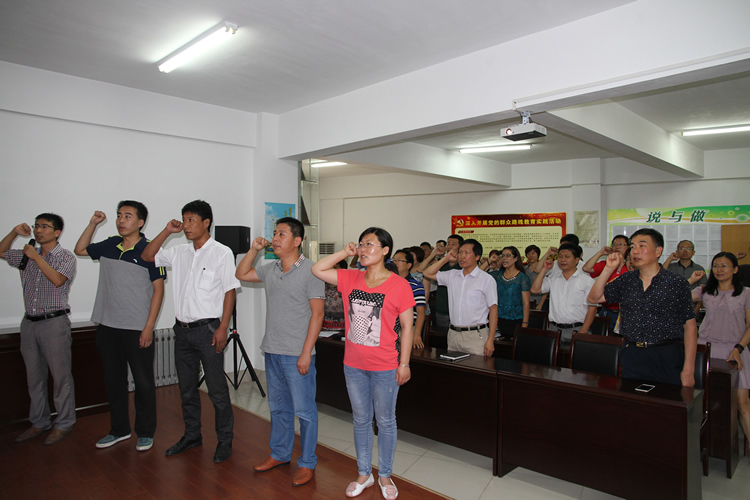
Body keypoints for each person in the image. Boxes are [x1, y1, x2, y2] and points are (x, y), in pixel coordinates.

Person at [311, 227, 414, 500]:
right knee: (360, 420)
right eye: (361, 244)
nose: (364, 248)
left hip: (386, 365)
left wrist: (404, 364)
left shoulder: (399, 285)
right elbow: (318, 269)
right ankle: (364, 473)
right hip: (354, 365)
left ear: (385, 250)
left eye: (370, 244)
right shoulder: (350, 277)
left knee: (386, 421)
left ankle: (385, 474)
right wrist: (345, 252)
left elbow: (407, 327)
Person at [142, 200, 240, 463]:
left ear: (206, 222)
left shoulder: (221, 252)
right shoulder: (179, 252)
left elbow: (230, 291)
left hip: (208, 330)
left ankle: (225, 440)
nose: (186, 225)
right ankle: (192, 435)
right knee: (186, 389)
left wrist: (223, 327)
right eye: (184, 220)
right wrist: (167, 231)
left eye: (191, 220)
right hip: (182, 332)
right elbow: (148, 255)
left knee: (217, 390)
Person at [235, 217, 325, 487]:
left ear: (297, 241)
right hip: (272, 350)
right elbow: (241, 274)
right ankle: (280, 454)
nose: (275, 238)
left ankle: (307, 462)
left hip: (297, 353)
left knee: (305, 411)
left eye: (282, 234)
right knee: (278, 408)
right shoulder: (271, 268)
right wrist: (253, 250)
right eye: (274, 233)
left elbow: (318, 315)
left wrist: (306, 352)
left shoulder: (312, 271)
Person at [74, 202, 166, 452]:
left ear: (140, 222)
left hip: (137, 327)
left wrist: (148, 327)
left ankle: (145, 432)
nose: (121, 220)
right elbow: (80, 249)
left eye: (127, 216)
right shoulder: (109, 245)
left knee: (143, 383)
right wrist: (93, 224)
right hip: (107, 325)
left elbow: (158, 290)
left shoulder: (150, 250)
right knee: (113, 381)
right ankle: (119, 430)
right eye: (118, 216)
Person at [1, 214, 77, 445]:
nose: (38, 230)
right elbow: (1, 251)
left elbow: (57, 280)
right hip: (29, 323)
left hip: (54, 323)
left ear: (57, 232)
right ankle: (39, 422)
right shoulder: (26, 254)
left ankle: (64, 423)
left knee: (61, 377)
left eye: (45, 226)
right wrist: (14, 232)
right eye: (37, 226)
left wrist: (36, 258)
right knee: (34, 377)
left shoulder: (65, 256)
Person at [588, 228, 696, 387]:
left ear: (658, 251)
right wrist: (608, 269)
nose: (635, 251)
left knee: (666, 399)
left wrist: (689, 370)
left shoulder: (676, 283)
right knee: (632, 398)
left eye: (642, 246)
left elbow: (690, 327)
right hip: (632, 353)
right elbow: (594, 298)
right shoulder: (626, 280)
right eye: (632, 247)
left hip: (665, 354)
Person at [690, 252, 750, 457]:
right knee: (704, 400)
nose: (719, 269)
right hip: (706, 349)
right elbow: (676, 297)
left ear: (735, 269)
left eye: (724, 266)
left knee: (742, 402)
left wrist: (739, 348)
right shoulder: (704, 290)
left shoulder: (746, 293)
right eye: (716, 265)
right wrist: (691, 281)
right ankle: (705, 445)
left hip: (736, 350)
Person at [423, 238, 498, 356]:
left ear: (477, 257)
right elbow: (427, 273)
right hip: (453, 334)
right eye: (460, 252)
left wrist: (490, 340)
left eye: (467, 253)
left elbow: (493, 310)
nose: (462, 256)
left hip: (475, 335)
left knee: (475, 367)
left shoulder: (486, 279)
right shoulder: (453, 275)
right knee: (453, 367)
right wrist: (446, 258)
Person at [530, 243, 596, 342]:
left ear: (577, 260)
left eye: (567, 256)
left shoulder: (586, 281)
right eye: (560, 256)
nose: (562, 260)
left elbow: (592, 309)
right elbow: (535, 290)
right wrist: (544, 270)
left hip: (577, 329)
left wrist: (583, 332)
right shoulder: (553, 278)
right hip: (554, 329)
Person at [582, 235, 630, 332]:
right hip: (606, 311)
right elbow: (586, 268)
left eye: (621, 244)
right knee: (603, 338)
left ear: (628, 247)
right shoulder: (607, 263)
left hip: (624, 313)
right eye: (614, 244)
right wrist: (600, 253)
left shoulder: (631, 266)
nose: (617, 247)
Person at [484, 246, 530, 338]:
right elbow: (477, 275)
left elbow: (526, 303)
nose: (504, 258)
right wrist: (489, 262)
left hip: (515, 320)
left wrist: (525, 323)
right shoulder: (497, 275)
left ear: (516, 258)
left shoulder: (523, 278)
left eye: (508, 255)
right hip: (496, 318)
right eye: (502, 256)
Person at [419, 234, 463, 330]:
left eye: (453, 244)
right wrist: (434, 253)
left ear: (460, 247)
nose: (449, 246)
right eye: (448, 243)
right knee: (441, 336)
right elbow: (421, 269)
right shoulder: (441, 262)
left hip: (459, 311)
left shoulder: (463, 264)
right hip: (442, 309)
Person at [392, 249, 427, 348]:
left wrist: (417, 334)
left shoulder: (416, 285)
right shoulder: (388, 283)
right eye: (394, 260)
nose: (395, 263)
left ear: (409, 265)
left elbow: (420, 311)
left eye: (399, 260)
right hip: (389, 328)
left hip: (405, 329)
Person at [322, 259, 348, 331]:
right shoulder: (324, 284)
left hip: (343, 328)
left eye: (334, 267)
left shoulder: (348, 285)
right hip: (324, 327)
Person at [523, 245, 547, 310]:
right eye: (528, 254)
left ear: (538, 255)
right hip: (525, 302)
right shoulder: (524, 269)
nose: (531, 256)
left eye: (533, 253)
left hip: (539, 302)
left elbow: (546, 289)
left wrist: (540, 304)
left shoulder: (544, 269)